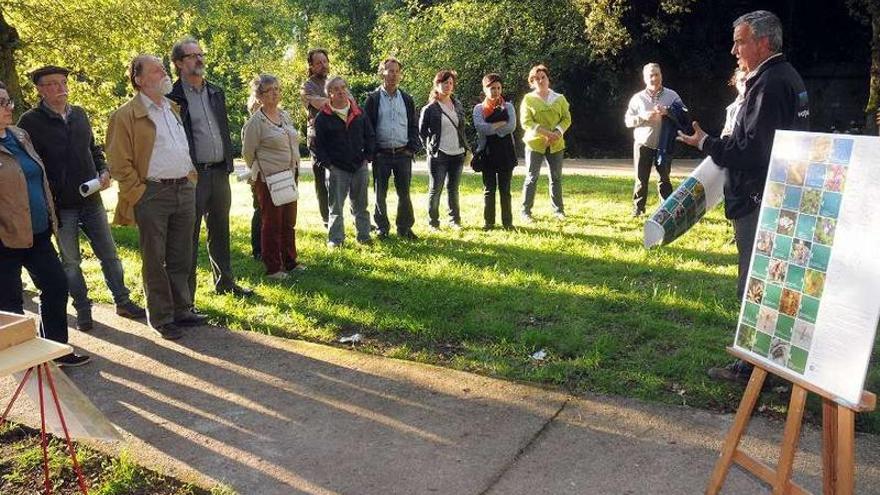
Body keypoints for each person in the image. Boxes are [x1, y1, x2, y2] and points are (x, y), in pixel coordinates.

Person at [677, 10, 809, 382]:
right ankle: (775, 369)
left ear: (763, 42)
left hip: (759, 200)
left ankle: (753, 370)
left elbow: (751, 150)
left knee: (755, 285)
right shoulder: (788, 77)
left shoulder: (768, 84)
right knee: (774, 283)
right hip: (780, 196)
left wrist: (706, 142)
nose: (734, 49)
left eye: (741, 41)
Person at [18, 65, 146, 332]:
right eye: (52, 84)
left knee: (109, 255)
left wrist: (103, 170)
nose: (61, 88)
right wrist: (50, 193)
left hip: (92, 200)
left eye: (63, 82)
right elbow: (29, 164)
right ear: (40, 90)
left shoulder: (79, 114)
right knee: (71, 262)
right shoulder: (29, 123)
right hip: (61, 206)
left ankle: (122, 301)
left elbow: (93, 148)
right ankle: (83, 309)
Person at [106, 54, 208, 340]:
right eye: (156, 70)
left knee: (181, 254)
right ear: (139, 80)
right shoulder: (125, 115)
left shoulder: (171, 108)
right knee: (155, 258)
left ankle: (181, 309)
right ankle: (162, 317)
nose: (164, 72)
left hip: (183, 189)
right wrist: (138, 192)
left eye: (162, 68)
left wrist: (189, 177)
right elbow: (118, 162)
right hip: (152, 192)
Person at [0, 81, 90, 366]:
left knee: (55, 286)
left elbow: (38, 177)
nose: (8, 107)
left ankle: (55, 350)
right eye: (1, 103)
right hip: (5, 239)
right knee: (10, 305)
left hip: (38, 232)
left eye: (8, 101)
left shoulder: (19, 135)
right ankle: (20, 363)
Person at [167, 36, 252, 301]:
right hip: (192, 176)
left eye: (200, 54)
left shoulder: (215, 91)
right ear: (179, 63)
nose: (199, 59)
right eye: (192, 56)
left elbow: (221, 129)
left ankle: (225, 283)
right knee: (187, 236)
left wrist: (228, 161)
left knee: (220, 231)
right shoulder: (172, 97)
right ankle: (186, 298)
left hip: (219, 172)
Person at [241, 74, 304, 279]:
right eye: (270, 90)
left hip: (290, 174)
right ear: (259, 96)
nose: (275, 93)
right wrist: (261, 169)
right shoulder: (255, 122)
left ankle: (291, 261)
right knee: (272, 223)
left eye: (277, 88)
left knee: (288, 221)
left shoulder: (284, 115)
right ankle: (273, 267)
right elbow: (248, 153)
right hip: (269, 178)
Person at [362, 56, 420, 240]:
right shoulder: (373, 99)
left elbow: (413, 125)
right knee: (380, 194)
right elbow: (367, 127)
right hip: (382, 154)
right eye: (390, 71)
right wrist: (372, 151)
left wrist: (412, 148)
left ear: (400, 75)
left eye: (396, 71)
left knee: (404, 193)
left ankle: (404, 228)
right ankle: (382, 227)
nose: (393, 75)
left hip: (403, 153)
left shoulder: (407, 99)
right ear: (382, 73)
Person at [313, 76, 375, 248]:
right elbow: (318, 146)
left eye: (343, 88)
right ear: (329, 94)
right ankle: (336, 240)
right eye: (336, 89)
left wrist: (367, 158)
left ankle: (364, 236)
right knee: (336, 208)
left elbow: (370, 136)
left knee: (361, 205)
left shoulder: (359, 112)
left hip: (359, 166)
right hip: (337, 169)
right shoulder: (322, 117)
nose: (341, 92)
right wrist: (328, 165)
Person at [624, 63, 685, 217]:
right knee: (640, 179)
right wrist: (642, 117)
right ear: (645, 78)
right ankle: (638, 209)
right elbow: (627, 121)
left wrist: (668, 111)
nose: (654, 78)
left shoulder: (672, 95)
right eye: (650, 75)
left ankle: (667, 209)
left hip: (664, 145)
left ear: (661, 75)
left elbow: (685, 114)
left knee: (664, 178)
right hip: (642, 144)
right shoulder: (637, 98)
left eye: (656, 74)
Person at [520, 64, 571, 223]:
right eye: (536, 79)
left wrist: (556, 133)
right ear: (531, 82)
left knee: (555, 177)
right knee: (531, 177)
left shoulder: (560, 98)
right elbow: (525, 122)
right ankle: (525, 212)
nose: (540, 81)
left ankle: (558, 211)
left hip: (556, 144)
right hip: (535, 143)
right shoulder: (528, 99)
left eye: (543, 77)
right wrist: (546, 134)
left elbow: (566, 119)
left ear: (548, 79)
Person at [419, 70, 468, 230]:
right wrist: (431, 148)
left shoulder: (457, 104)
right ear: (437, 84)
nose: (447, 86)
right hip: (439, 154)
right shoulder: (430, 108)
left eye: (450, 83)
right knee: (436, 189)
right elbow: (421, 132)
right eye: (444, 82)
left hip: (457, 153)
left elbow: (461, 128)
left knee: (453, 189)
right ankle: (433, 222)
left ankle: (455, 220)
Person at [473, 73, 517, 230]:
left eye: (498, 88)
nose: (496, 91)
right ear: (485, 90)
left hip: (506, 152)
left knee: (505, 190)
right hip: (488, 153)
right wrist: (499, 124)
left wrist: (492, 128)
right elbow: (480, 127)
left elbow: (511, 126)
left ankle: (508, 223)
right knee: (489, 189)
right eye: (492, 88)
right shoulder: (479, 109)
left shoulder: (509, 106)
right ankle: (489, 222)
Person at [301, 48, 332, 228]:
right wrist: (336, 101)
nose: (323, 65)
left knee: (342, 177)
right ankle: (326, 218)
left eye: (325, 61)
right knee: (321, 181)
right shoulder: (307, 86)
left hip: (336, 138)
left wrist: (329, 100)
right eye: (318, 63)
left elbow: (351, 102)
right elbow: (317, 103)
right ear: (311, 66)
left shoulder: (333, 82)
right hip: (317, 140)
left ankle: (348, 214)